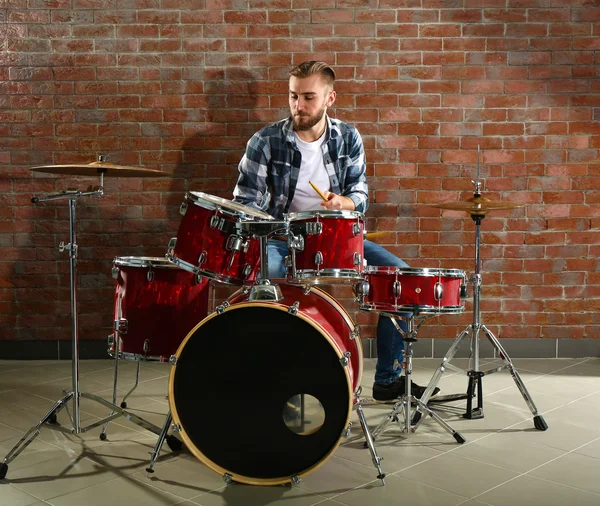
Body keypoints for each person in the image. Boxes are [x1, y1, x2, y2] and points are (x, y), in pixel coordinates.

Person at [233, 61, 438, 402]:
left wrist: (345, 203)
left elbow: (360, 193)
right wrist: (278, 225)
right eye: (293, 96)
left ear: (330, 99)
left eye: (309, 97)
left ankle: (388, 379)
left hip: (338, 237)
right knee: (266, 280)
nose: (299, 105)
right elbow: (245, 205)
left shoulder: (348, 137)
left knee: (402, 281)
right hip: (282, 240)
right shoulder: (264, 142)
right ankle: (271, 377)